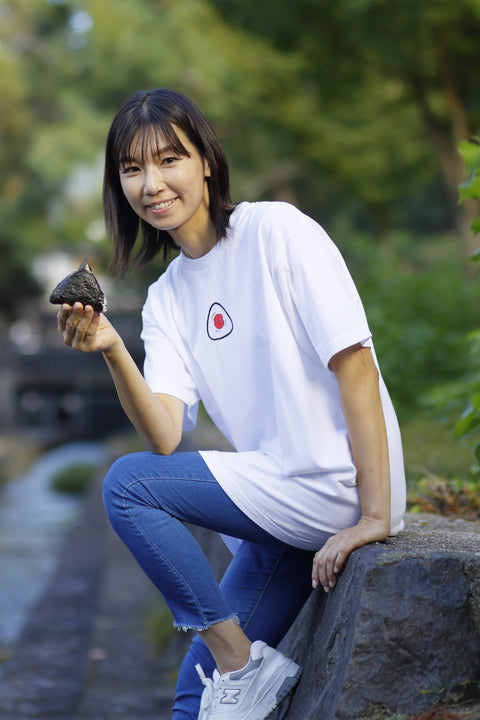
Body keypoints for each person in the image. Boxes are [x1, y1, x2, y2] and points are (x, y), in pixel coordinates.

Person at [57, 88, 406, 720]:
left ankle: (244, 661)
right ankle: (237, 666)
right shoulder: (166, 298)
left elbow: (354, 364)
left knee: (128, 486)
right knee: (198, 700)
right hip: (281, 505)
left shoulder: (277, 231)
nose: (152, 183)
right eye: (132, 169)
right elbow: (165, 434)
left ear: (207, 162)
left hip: (337, 486)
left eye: (169, 160)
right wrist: (111, 346)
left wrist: (375, 514)